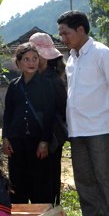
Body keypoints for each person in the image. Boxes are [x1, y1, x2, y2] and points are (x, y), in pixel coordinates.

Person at [57, 10, 109, 216]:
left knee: (104, 177)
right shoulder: (72, 58)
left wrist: (103, 107)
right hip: (77, 129)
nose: (63, 38)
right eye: (61, 33)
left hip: (98, 128)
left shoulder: (103, 54)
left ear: (81, 30)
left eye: (66, 33)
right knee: (83, 178)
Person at [2, 43, 56, 204]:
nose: (31, 62)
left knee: (40, 185)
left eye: (34, 58)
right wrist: (5, 138)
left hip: (37, 142)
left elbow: (49, 115)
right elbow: (8, 114)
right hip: (17, 143)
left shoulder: (46, 85)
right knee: (18, 184)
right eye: (26, 59)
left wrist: (44, 141)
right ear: (18, 62)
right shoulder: (14, 86)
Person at [29, 32, 68, 205]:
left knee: (49, 178)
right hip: (36, 136)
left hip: (50, 138)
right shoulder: (32, 78)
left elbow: (59, 111)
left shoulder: (53, 80)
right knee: (37, 178)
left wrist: (45, 140)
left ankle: (51, 214)